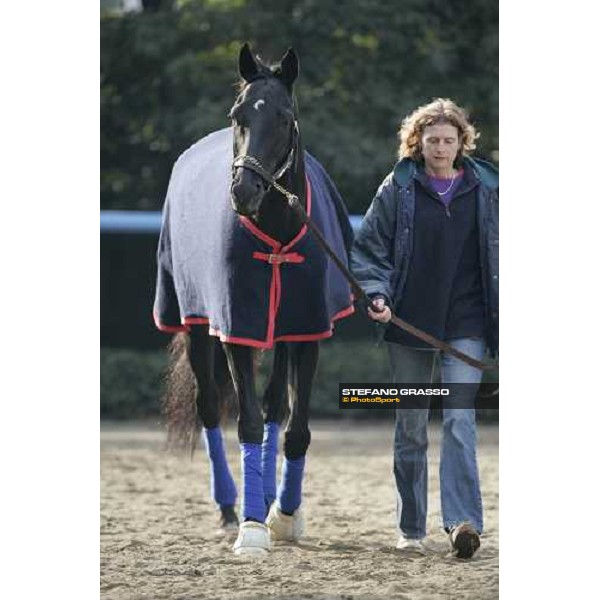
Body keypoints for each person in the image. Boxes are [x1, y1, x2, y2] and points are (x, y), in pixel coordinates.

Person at [350, 98, 498, 559]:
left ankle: (462, 523)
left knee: (458, 418)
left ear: (462, 142)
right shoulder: (397, 188)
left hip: (467, 319)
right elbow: (369, 249)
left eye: (448, 140)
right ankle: (411, 527)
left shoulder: (489, 188)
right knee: (412, 423)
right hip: (409, 320)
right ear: (417, 142)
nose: (439, 147)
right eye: (431, 139)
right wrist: (377, 295)